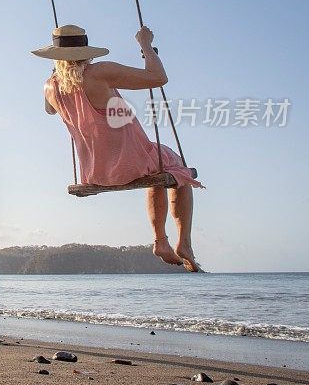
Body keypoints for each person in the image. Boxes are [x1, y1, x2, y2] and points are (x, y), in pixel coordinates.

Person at [33, 24, 204, 272]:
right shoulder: (100, 72)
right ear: (87, 51)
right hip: (129, 161)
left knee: (156, 171)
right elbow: (158, 78)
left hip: (96, 172)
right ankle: (183, 243)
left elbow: (49, 110)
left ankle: (162, 242)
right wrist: (146, 45)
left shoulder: (50, 86)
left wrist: (58, 78)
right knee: (177, 169)